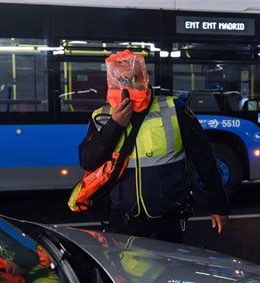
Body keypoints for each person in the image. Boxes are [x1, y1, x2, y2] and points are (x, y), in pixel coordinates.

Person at [78, 49, 231, 243]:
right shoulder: (102, 116)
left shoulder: (174, 108)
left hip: (168, 218)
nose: (129, 85)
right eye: (122, 80)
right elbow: (88, 161)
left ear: (144, 77)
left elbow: (205, 158)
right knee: (126, 272)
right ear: (113, 82)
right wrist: (114, 125)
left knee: (168, 270)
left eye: (134, 78)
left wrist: (219, 205)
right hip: (123, 219)